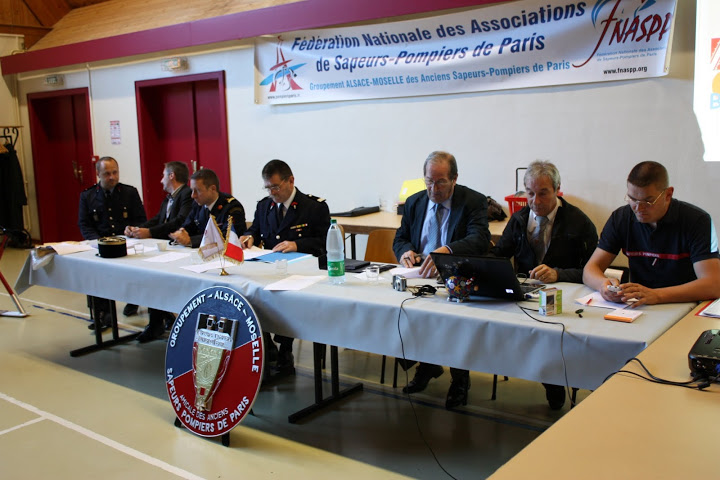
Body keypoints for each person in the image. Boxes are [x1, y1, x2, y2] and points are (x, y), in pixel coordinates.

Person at [490, 160, 598, 410]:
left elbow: (594, 271)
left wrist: (558, 273)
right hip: (525, 297)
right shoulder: (519, 219)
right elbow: (499, 256)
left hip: (564, 298)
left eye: (543, 193)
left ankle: (554, 379)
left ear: (558, 190)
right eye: (529, 193)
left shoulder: (579, 223)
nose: (535, 201)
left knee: (547, 334)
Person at [393, 151, 491, 409]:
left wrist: (447, 250)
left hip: (456, 275)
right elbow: (400, 237)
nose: (433, 189)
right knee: (400, 312)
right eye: (429, 181)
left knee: (453, 321)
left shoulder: (473, 201)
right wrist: (405, 252)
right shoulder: (414, 202)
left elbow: (480, 239)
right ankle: (426, 364)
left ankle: (460, 378)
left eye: (440, 182)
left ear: (454, 178)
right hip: (420, 274)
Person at [583, 161, 720, 306]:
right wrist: (603, 285)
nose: (638, 208)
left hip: (686, 304)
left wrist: (657, 295)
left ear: (668, 194)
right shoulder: (621, 218)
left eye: (648, 202)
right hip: (640, 305)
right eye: (632, 199)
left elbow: (714, 284)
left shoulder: (697, 221)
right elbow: (590, 270)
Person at [240, 159, 330, 374]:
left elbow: (325, 242)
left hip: (302, 272)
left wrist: (297, 244)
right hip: (270, 269)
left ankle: (285, 349)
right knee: (250, 293)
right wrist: (249, 237)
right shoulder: (264, 206)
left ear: (291, 180)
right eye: (267, 188)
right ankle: (266, 344)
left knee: (284, 297)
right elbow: (256, 230)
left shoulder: (314, 207)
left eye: (276, 187)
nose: (272, 193)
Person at [124, 161, 193, 342]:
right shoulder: (169, 198)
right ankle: (161, 316)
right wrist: (138, 229)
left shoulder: (186, 194)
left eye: (163, 175)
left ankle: (157, 321)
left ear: (171, 176)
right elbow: (158, 219)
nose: (161, 180)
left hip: (178, 248)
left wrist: (150, 232)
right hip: (163, 247)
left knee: (155, 277)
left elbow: (178, 221)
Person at [78, 156, 146, 330]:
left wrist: (133, 230)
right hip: (100, 245)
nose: (112, 177)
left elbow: (141, 219)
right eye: (107, 174)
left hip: (127, 243)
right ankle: (103, 313)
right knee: (95, 273)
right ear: (98, 174)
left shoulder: (129, 193)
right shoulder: (88, 196)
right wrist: (97, 242)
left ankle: (134, 299)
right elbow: (85, 224)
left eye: (115, 173)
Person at [169, 168, 245, 248]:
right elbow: (188, 226)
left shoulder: (232, 206)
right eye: (192, 190)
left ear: (212, 189)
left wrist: (191, 240)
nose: (193, 195)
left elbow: (227, 236)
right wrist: (181, 234)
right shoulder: (198, 205)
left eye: (197, 190)